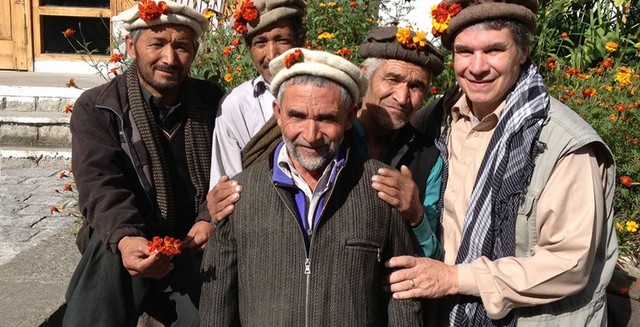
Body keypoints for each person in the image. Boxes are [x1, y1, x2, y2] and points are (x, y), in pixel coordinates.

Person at [386, 0, 618, 326]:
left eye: (494, 50)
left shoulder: (562, 142)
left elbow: (569, 263)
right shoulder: (440, 117)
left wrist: (455, 278)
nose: (477, 66)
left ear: (522, 52)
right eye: (465, 52)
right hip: (443, 313)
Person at [200, 48, 423, 326]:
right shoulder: (240, 196)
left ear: (349, 116)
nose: (310, 134)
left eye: (326, 118)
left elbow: (403, 299)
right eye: (297, 116)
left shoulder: (381, 188)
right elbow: (217, 305)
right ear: (278, 114)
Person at [209, 26, 446, 259]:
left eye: (416, 87)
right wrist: (218, 208)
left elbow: (430, 254)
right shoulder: (319, 139)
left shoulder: (427, 157)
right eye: (392, 79)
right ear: (365, 74)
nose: (402, 97)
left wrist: (415, 214)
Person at [62, 1, 223, 325]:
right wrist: (126, 238)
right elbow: (99, 183)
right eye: (157, 43)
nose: (169, 58)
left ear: (194, 50)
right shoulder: (98, 108)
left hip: (191, 244)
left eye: (181, 46)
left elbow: (228, 171)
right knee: (106, 248)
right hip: (129, 241)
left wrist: (208, 218)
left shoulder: (210, 102)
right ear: (131, 47)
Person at [209, 0, 306, 186]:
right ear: (249, 49)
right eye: (260, 43)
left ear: (300, 42)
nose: (271, 55)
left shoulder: (326, 94)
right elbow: (228, 185)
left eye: (281, 40)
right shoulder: (236, 105)